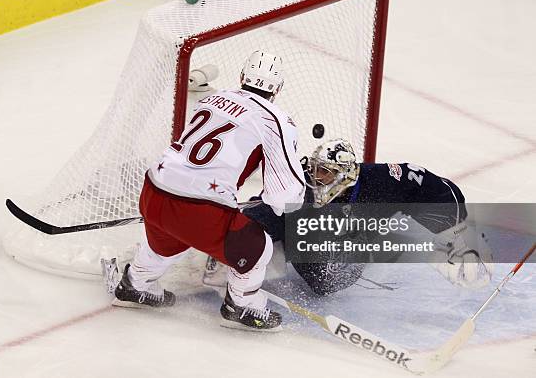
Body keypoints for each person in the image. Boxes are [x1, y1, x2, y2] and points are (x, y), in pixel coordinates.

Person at [113, 51, 305, 331]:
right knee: (257, 248)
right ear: (277, 89)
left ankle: (134, 283)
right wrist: (290, 200)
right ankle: (242, 306)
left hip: (154, 188)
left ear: (241, 77)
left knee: (166, 242)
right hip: (200, 208)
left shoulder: (213, 98)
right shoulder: (275, 120)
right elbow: (284, 195)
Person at [215, 138, 493, 296]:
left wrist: (458, 232)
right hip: (315, 231)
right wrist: (233, 235)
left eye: (325, 172)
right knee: (277, 231)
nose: (316, 177)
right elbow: (267, 209)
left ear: (345, 175)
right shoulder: (301, 186)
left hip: (349, 239)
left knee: (324, 281)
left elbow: (440, 187)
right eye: (315, 168)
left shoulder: (379, 181)